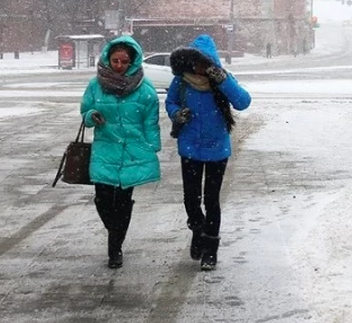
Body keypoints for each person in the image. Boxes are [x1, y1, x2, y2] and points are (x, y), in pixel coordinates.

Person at [166, 34, 251, 271]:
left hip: (217, 150)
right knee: (191, 199)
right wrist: (176, 113)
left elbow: (243, 102)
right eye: (196, 62)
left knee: (212, 200)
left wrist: (222, 80)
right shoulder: (182, 82)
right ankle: (198, 230)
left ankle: (210, 250)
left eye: (204, 63)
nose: (199, 68)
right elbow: (170, 102)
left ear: (212, 62)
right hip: (190, 148)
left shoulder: (223, 81)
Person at [80, 35, 161, 269]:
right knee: (102, 200)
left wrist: (151, 147)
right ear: (108, 58)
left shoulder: (144, 89)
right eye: (115, 60)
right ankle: (115, 230)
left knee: (123, 202)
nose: (119, 66)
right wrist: (90, 117)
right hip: (105, 149)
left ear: (132, 61)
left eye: (124, 62)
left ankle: (115, 248)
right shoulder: (95, 85)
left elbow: (150, 121)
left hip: (133, 151)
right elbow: (85, 110)